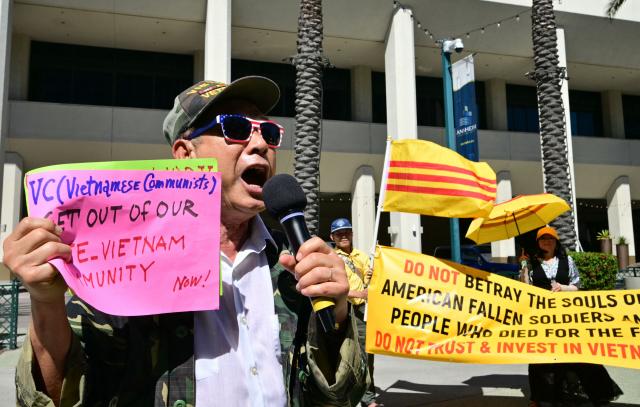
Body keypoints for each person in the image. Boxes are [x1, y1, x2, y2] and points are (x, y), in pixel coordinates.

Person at [5, 76, 367, 406]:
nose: (260, 143)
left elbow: (340, 395)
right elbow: (62, 395)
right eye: (237, 128)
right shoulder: (122, 262)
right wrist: (45, 302)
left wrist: (335, 315)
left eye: (269, 133)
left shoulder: (292, 265)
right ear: (184, 154)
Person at [520, 226, 622, 407]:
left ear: (556, 242)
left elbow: (577, 285)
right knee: (541, 357)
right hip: (543, 318)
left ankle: (598, 393)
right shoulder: (531, 264)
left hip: (568, 317)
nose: (547, 242)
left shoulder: (568, 260)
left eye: (550, 239)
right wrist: (524, 270)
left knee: (579, 353)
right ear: (538, 243)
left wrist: (563, 288)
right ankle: (540, 396)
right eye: (543, 239)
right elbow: (525, 290)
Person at [329, 218, 379, 407]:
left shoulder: (363, 256)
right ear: (332, 237)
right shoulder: (333, 259)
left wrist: (373, 276)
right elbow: (333, 288)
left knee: (368, 356)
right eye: (339, 233)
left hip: (366, 312)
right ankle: (364, 399)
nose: (344, 235)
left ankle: (366, 396)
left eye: (347, 232)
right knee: (352, 357)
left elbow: (374, 280)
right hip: (347, 312)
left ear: (352, 233)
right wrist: (360, 293)